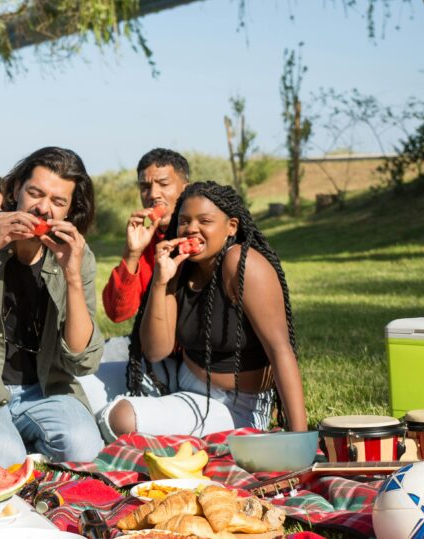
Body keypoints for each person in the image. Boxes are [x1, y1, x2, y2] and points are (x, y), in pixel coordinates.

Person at [102, 181, 308, 438]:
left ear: (231, 226)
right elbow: (156, 351)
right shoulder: (180, 265)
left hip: (233, 405)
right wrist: (160, 280)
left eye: (205, 221)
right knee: (86, 385)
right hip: (180, 377)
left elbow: (280, 350)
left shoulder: (241, 264)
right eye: (184, 221)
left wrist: (300, 439)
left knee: (119, 416)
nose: (191, 229)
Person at [0, 147, 105, 467]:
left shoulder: (76, 253)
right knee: (5, 455)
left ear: (70, 210)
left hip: (45, 389)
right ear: (16, 189)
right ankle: (2, 441)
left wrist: (72, 276)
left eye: (58, 202)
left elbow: (82, 359)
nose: (43, 208)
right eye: (35, 193)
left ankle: (21, 438)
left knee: (83, 447)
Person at [93, 149, 190, 413]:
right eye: (145, 186)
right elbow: (117, 313)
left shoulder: (198, 239)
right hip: (147, 350)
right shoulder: (146, 241)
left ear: (186, 188)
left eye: (163, 184)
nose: (153, 194)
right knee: (87, 362)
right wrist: (132, 253)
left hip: (191, 360)